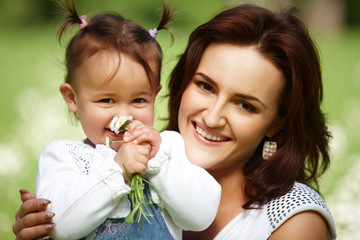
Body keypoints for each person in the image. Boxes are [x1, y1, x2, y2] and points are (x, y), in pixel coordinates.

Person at [13, 4, 337, 240]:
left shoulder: (294, 222)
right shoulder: (81, 159)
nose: (212, 117)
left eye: (245, 105)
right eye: (205, 86)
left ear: (277, 123)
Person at [16, 0, 221, 239]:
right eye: (106, 101)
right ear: (72, 98)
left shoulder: (169, 148)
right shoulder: (63, 156)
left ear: (154, 96)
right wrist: (117, 170)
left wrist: (156, 164)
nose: (124, 116)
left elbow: (201, 216)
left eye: (138, 101)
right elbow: (58, 226)